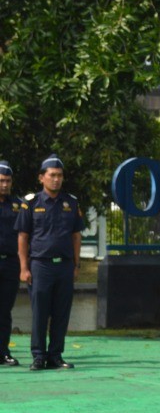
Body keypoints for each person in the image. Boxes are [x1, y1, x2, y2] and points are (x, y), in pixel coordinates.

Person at [17, 155, 85, 371]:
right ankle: (38, 356)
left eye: (60, 176)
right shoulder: (31, 203)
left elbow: (76, 236)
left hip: (64, 266)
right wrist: (24, 268)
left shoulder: (71, 203)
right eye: (52, 175)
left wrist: (76, 265)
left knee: (61, 313)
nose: (56, 179)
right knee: (40, 313)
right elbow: (23, 237)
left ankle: (55, 355)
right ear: (41, 178)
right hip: (40, 265)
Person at [0, 162, 23, 365]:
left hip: (10, 263)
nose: (5, 185)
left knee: (5, 310)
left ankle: (3, 352)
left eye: (8, 181)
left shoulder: (18, 205)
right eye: (1, 181)